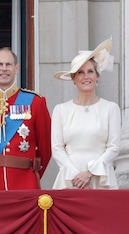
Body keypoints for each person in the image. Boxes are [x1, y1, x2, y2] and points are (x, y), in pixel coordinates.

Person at [0, 47, 51, 190]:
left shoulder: (36, 102)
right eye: (0, 64)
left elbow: (46, 147)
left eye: (8, 65)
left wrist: (32, 172)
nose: (4, 69)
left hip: (25, 181)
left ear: (16, 68)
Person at [51, 39, 121, 189]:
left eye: (90, 71)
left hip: (101, 178)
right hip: (70, 179)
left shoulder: (110, 108)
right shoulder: (61, 110)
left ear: (97, 77)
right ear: (74, 79)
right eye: (80, 73)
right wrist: (76, 175)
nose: (86, 77)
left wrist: (90, 173)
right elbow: (57, 148)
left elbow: (114, 147)